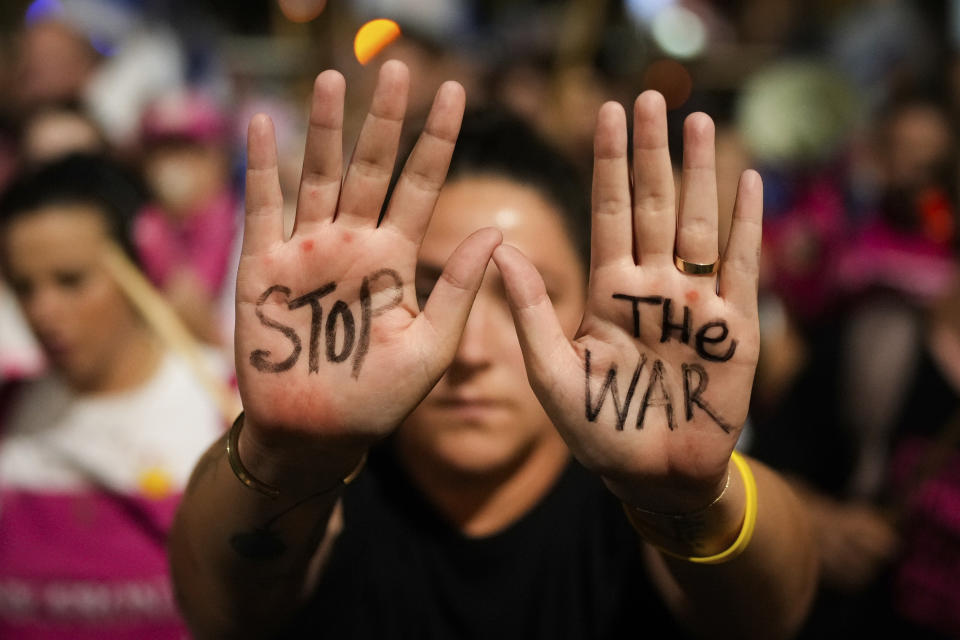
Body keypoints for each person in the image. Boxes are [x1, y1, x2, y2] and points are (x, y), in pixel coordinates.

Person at [170, 60, 818, 639]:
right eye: (433, 291)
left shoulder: (634, 488)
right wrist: (284, 458)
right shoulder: (326, 482)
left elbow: (773, 614)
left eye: (523, 295)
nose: (471, 351)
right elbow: (219, 614)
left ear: (594, 306)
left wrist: (688, 496)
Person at [0, 154, 226, 638]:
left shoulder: (229, 409)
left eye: (71, 280)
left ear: (144, 264)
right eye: (24, 287)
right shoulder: (9, 407)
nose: (44, 311)